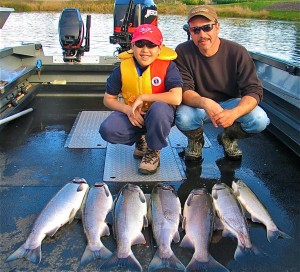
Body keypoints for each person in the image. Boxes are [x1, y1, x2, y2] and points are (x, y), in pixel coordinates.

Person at [175, 5, 270, 161]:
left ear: (217, 27)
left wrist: (234, 113)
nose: (202, 34)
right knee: (183, 117)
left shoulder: (237, 52)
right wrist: (205, 102)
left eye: (207, 27)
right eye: (195, 30)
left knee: (260, 120)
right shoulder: (182, 51)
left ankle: (229, 137)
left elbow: (253, 90)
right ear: (190, 31)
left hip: (231, 103)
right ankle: (196, 141)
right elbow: (184, 90)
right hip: (199, 105)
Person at [99, 24, 183, 174]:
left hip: (159, 117)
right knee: (107, 129)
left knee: (159, 110)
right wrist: (127, 110)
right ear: (132, 45)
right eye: (140, 44)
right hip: (135, 116)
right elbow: (108, 99)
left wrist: (143, 97)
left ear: (160, 48)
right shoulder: (122, 69)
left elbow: (176, 98)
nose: (145, 50)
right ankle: (141, 139)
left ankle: (154, 150)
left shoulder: (169, 67)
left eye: (151, 45)